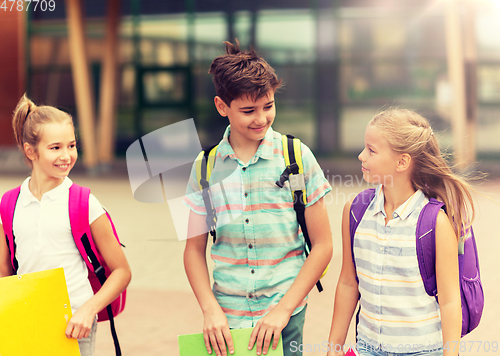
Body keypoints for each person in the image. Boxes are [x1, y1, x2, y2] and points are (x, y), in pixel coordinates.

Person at [183, 40, 333, 356]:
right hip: (225, 320)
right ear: (222, 107)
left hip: (286, 314)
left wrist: (282, 311)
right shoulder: (205, 166)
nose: (262, 118)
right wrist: (210, 309)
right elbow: (193, 250)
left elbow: (323, 246)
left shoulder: (297, 156)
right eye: (248, 110)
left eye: (268, 106)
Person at [327, 109, 470, 356]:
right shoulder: (355, 211)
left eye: (371, 150)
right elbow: (349, 283)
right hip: (367, 348)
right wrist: (333, 346)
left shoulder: (435, 222)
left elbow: (449, 302)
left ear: (402, 162)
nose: (361, 156)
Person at [0, 95, 132, 356]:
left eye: (71, 145)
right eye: (55, 148)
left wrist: (88, 310)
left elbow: (122, 271)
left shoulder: (84, 202)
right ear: (30, 151)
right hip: (26, 321)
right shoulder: (9, 203)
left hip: (73, 324)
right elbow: (5, 270)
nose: (67, 155)